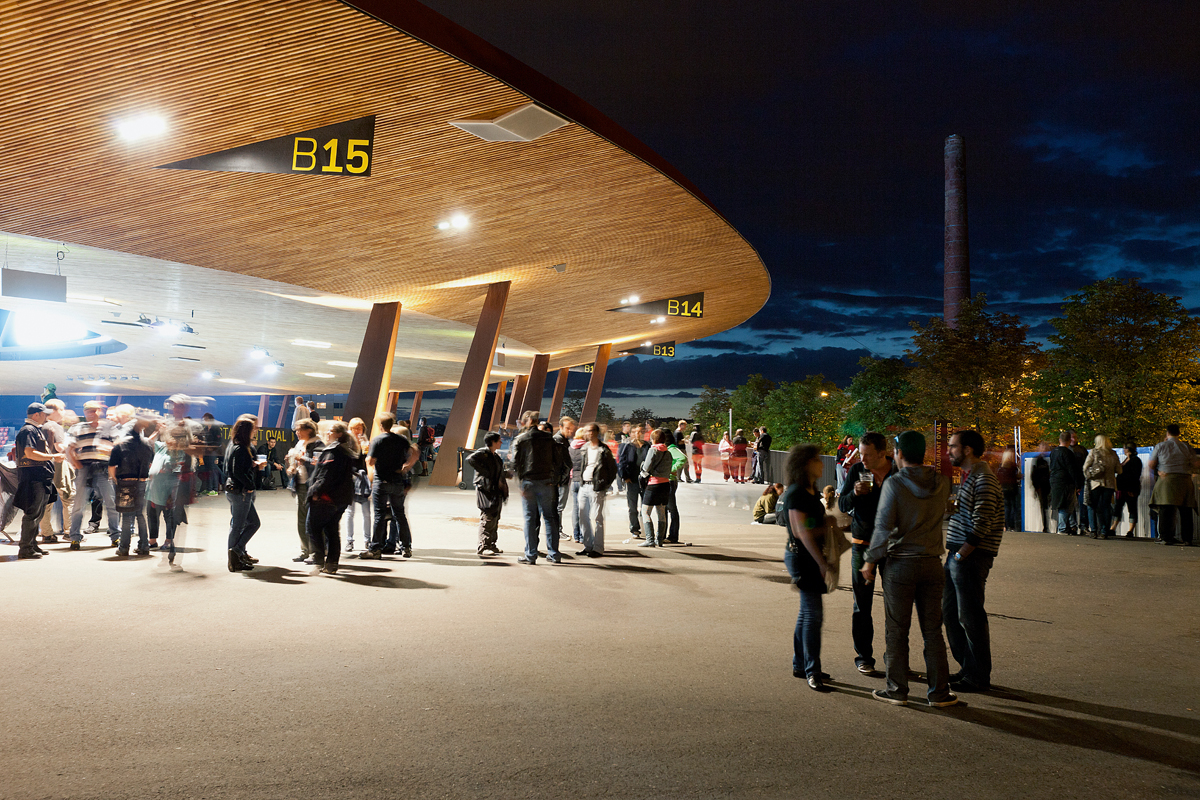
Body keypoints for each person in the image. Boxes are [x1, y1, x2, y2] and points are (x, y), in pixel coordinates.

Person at [862, 430, 957, 708]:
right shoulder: (941, 482)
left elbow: (883, 527)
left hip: (900, 565)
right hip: (931, 563)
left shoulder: (894, 484)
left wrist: (870, 561)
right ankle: (939, 692)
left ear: (899, 453)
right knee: (933, 631)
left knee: (897, 630)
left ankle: (897, 689)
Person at [945, 429, 1004, 694]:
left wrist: (960, 554)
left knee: (970, 616)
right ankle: (968, 667)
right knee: (951, 612)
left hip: (970, 555)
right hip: (958, 553)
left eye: (953, 447)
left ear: (967, 449)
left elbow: (983, 522)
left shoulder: (983, 479)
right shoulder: (969, 477)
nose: (948, 451)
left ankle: (979, 675)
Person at [836, 431, 896, 676]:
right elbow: (842, 505)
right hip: (862, 543)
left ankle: (894, 656)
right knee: (862, 604)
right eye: (861, 453)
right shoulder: (857, 471)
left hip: (893, 546)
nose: (862, 459)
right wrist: (854, 494)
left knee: (896, 605)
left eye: (867, 454)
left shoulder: (898, 472)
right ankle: (864, 656)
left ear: (883, 454)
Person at [779, 444, 832, 692]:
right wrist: (822, 562)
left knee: (806, 613)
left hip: (809, 555)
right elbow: (802, 532)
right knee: (813, 614)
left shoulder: (809, 491)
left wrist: (827, 525)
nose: (822, 463)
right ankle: (813, 669)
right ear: (805, 463)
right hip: (803, 557)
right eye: (817, 459)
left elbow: (810, 525)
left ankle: (801, 664)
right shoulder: (796, 493)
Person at [360, 412, 418, 559]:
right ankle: (406, 547)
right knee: (399, 514)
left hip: (381, 480)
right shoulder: (400, 439)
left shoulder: (377, 440)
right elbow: (415, 452)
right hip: (397, 480)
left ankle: (375, 549)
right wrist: (406, 467)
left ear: (380, 425)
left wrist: (368, 460)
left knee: (379, 515)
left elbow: (372, 461)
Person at [510, 410, 564, 564]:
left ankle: (531, 555)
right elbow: (558, 461)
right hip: (547, 481)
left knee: (530, 518)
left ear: (527, 421)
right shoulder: (549, 438)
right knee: (550, 518)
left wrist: (520, 484)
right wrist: (555, 479)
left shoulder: (521, 439)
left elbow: (515, 463)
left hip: (529, 481)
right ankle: (554, 554)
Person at [65, 400, 119, 548]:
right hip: (84, 468)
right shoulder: (78, 428)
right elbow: (68, 448)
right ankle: (75, 536)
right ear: (84, 412)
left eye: (95, 410)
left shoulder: (108, 427)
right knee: (78, 505)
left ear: (99, 411)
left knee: (111, 503)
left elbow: (117, 446)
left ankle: (116, 535)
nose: (92, 414)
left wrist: (109, 450)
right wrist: (76, 464)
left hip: (103, 468)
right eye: (89, 411)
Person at [13, 403, 64, 558]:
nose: (46, 417)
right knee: (32, 513)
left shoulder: (35, 430)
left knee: (38, 513)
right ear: (36, 414)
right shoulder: (28, 430)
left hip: (40, 477)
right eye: (44, 414)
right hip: (33, 478)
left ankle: (32, 545)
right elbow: (30, 453)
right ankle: (26, 548)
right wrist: (53, 457)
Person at [306, 421, 357, 575]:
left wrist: (313, 492)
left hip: (327, 498)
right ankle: (332, 563)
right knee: (332, 529)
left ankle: (319, 561)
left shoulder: (333, 451)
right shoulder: (346, 450)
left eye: (331, 431)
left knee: (313, 528)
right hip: (341, 498)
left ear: (339, 434)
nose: (327, 433)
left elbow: (325, 476)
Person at [108, 412, 156, 557]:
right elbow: (151, 464)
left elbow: (111, 466)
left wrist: (115, 479)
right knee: (140, 515)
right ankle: (144, 546)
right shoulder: (147, 444)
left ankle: (124, 548)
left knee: (127, 516)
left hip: (125, 482)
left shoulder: (120, 444)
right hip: (141, 482)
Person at [224, 415, 264, 572]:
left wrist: (252, 464)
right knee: (242, 525)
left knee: (246, 524)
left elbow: (235, 468)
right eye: (253, 429)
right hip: (241, 492)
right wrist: (250, 485)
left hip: (237, 491)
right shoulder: (241, 448)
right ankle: (235, 555)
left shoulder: (236, 446)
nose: (255, 432)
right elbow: (238, 471)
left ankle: (237, 554)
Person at [1147, 424, 1198, 546]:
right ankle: (1187, 538)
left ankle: (1166, 537)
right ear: (1179, 433)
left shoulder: (1161, 446)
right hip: (1184, 480)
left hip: (1167, 479)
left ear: (1167, 433)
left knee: (1166, 509)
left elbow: (1151, 464)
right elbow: (1196, 463)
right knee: (1186, 510)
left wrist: (1159, 469)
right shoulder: (1186, 446)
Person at [576, 422, 618, 557]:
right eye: (587, 431)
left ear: (596, 432)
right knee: (583, 516)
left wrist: (604, 485)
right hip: (584, 486)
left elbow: (612, 470)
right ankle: (588, 545)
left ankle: (598, 548)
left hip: (596, 487)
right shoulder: (584, 448)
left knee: (597, 517)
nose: (588, 433)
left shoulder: (604, 450)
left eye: (591, 431)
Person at [467, 432, 509, 555]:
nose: (501, 443)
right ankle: (483, 546)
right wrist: (484, 472)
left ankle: (491, 544)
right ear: (493, 442)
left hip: (494, 489)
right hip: (485, 488)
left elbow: (497, 472)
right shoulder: (484, 453)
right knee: (488, 516)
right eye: (499, 441)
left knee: (495, 517)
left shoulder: (494, 456)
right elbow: (471, 459)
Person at [287, 419, 321, 562]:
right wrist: (292, 466)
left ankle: (317, 552)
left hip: (313, 487)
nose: (297, 433)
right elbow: (295, 460)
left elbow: (319, 463)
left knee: (313, 520)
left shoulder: (318, 443)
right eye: (296, 430)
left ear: (309, 430)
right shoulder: (300, 443)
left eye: (299, 430)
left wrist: (304, 459)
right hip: (300, 484)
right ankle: (304, 550)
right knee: (301, 520)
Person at [639, 428, 673, 547]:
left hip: (654, 484)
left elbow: (646, 467)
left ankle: (650, 540)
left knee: (645, 511)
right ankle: (660, 540)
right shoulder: (668, 452)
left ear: (653, 439)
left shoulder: (653, 450)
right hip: (665, 484)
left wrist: (642, 471)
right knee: (661, 512)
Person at [341, 417, 372, 552]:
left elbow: (368, 462)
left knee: (366, 513)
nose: (357, 431)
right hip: (350, 480)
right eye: (354, 428)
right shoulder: (347, 443)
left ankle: (367, 540)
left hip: (363, 480)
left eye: (359, 428)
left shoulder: (366, 442)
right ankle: (349, 540)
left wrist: (365, 448)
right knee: (349, 512)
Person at [1083, 435, 1121, 540]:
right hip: (1109, 484)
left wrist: (1090, 474)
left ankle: (1093, 530)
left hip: (1096, 484)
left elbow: (1085, 467)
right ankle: (1104, 531)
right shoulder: (1113, 454)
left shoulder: (1094, 452)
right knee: (1106, 507)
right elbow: (1119, 470)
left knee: (1092, 506)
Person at [1049, 431, 1081, 535]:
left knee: (1060, 504)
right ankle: (1063, 528)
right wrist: (1077, 484)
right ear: (1068, 440)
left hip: (1055, 480)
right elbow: (1072, 469)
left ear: (1059, 440)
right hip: (1066, 481)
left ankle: (1068, 526)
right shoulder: (1068, 453)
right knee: (1067, 505)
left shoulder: (1054, 452)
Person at [553, 416, 578, 539]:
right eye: (567, 428)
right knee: (558, 506)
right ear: (561, 427)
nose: (570, 431)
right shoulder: (558, 440)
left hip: (561, 479)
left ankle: (556, 530)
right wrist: (560, 478)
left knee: (559, 506)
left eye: (571, 429)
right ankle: (557, 530)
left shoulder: (562, 440)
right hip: (560, 480)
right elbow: (560, 463)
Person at [618, 428, 645, 538]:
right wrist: (625, 477)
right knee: (632, 506)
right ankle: (634, 528)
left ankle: (645, 527)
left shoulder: (647, 446)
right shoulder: (627, 446)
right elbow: (622, 462)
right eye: (635, 432)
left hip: (644, 480)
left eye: (640, 432)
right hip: (632, 480)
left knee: (645, 507)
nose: (637, 434)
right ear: (631, 433)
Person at [663, 431, 688, 544]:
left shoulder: (672, 449)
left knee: (671, 508)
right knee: (664, 508)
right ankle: (663, 534)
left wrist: (672, 468)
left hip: (670, 481)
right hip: (666, 480)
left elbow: (682, 458)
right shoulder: (667, 449)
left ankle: (673, 535)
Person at [1114, 443, 1142, 538]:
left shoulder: (1135, 461)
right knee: (1118, 507)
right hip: (1121, 488)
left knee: (1132, 508)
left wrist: (1132, 488)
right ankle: (1113, 527)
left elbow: (1135, 476)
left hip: (1130, 488)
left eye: (1124, 448)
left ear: (1127, 449)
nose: (1123, 450)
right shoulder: (1127, 459)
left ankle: (1130, 530)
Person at [996, 444, 1021, 532]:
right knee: (1013, 507)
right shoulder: (1012, 467)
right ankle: (1012, 525)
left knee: (1006, 508)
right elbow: (1016, 477)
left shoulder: (1001, 467)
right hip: (1012, 489)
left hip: (1003, 489)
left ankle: (1006, 525)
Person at [1030, 444, 1051, 532]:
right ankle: (1046, 526)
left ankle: (1046, 526)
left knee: (1044, 506)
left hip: (1042, 486)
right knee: (1045, 506)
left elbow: (1033, 474)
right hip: (1043, 486)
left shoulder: (1037, 459)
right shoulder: (1043, 460)